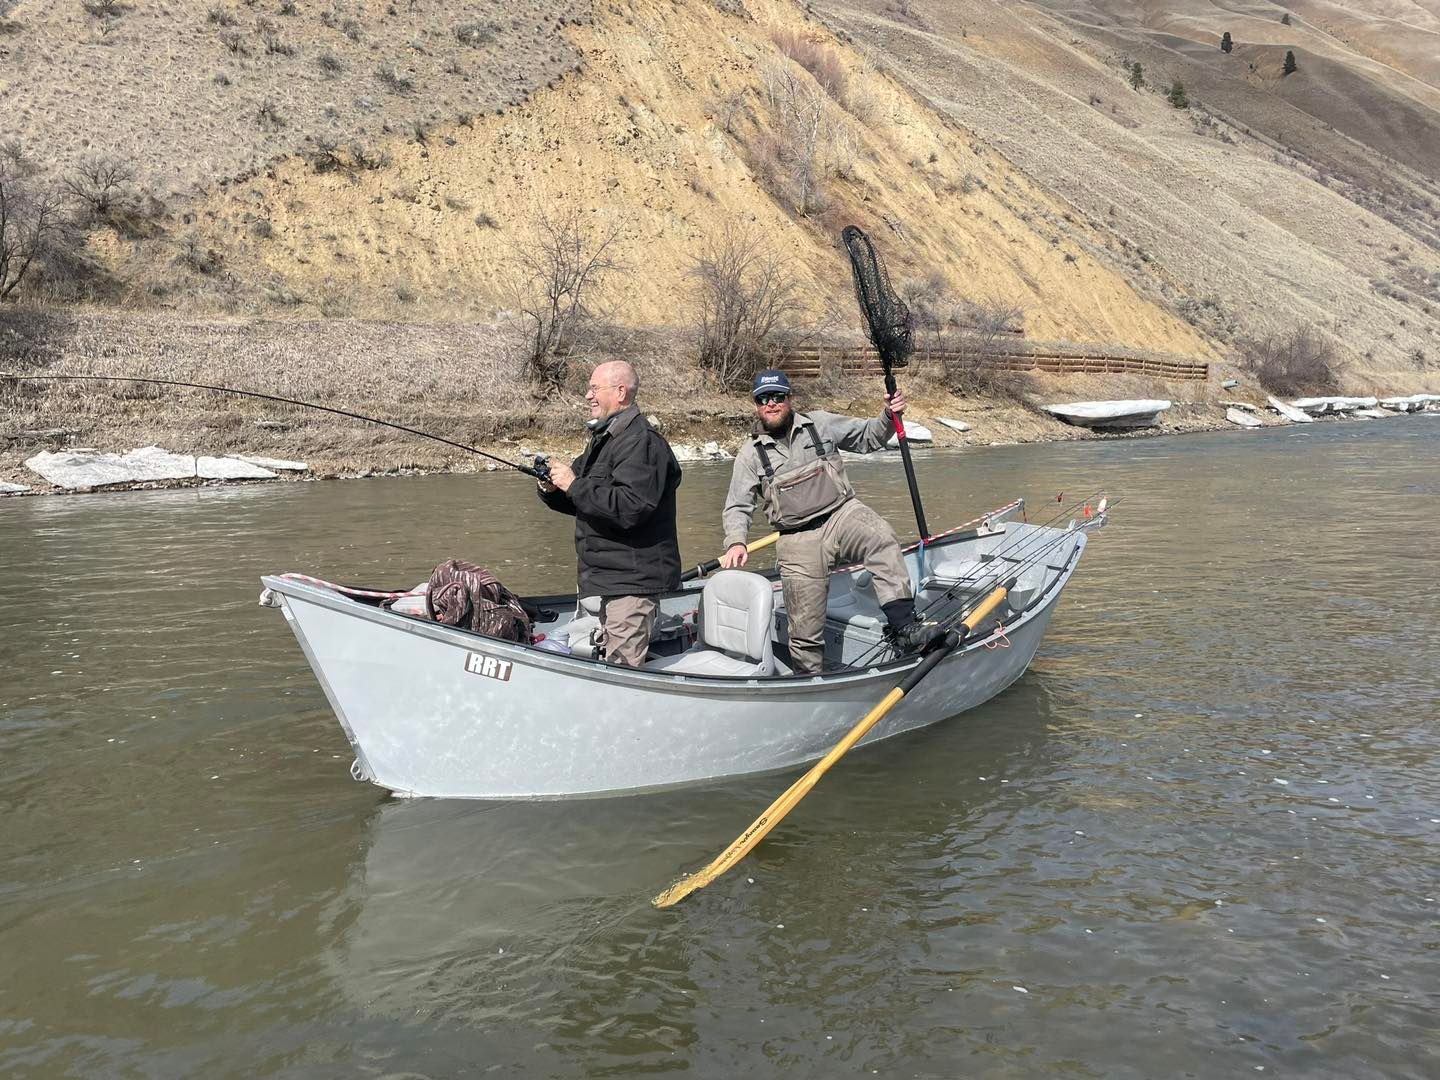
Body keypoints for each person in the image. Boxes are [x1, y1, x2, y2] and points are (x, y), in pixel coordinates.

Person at [719, 369, 928, 674]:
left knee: (881, 536)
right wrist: (736, 541)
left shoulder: (820, 423)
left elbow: (868, 437)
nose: (771, 403)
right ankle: (809, 681)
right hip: (796, 539)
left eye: (778, 396)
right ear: (756, 405)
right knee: (804, 631)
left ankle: (905, 628)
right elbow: (738, 505)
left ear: (790, 398)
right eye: (763, 399)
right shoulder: (749, 454)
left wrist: (889, 414)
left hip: (843, 514)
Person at [537, 360, 682, 667]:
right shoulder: (604, 440)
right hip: (608, 580)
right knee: (613, 663)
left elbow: (630, 507)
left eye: (594, 388)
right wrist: (552, 489)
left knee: (622, 669)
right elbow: (583, 499)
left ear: (620, 392)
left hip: (632, 583)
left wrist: (573, 485)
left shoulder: (642, 442)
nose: (588, 396)